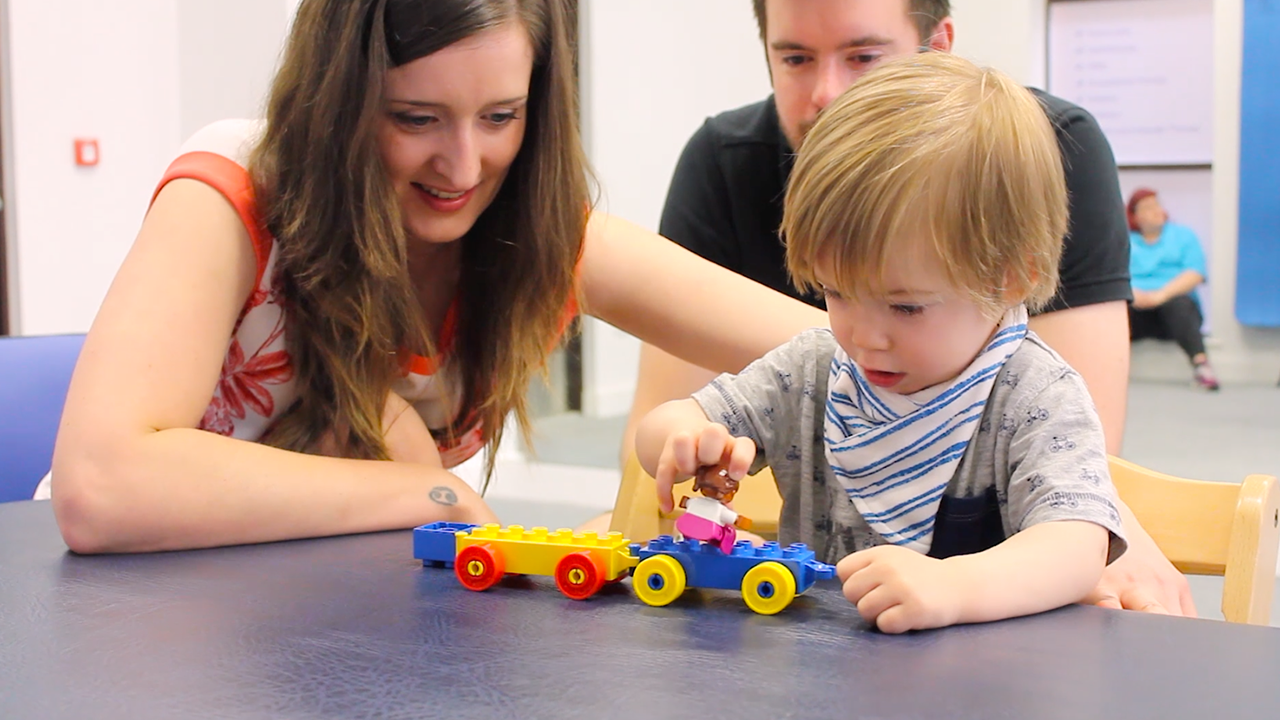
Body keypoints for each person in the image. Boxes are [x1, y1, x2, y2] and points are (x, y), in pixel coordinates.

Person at [45, 0, 824, 554]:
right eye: (415, 118)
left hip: (314, 621)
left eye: (499, 117)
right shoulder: (236, 190)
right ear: (338, 101)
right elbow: (101, 487)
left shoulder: (537, 230)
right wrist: (430, 495)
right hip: (124, 614)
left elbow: (842, 347)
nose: (461, 167)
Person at [624, 0, 1194, 618]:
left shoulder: (1033, 394)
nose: (864, 336)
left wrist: (957, 588)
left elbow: (1077, 542)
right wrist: (681, 437)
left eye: (906, 307)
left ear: (1012, 277)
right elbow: (663, 427)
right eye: (836, 293)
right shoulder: (814, 367)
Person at [1126, 188, 1219, 391]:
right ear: (1135, 216)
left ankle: (1202, 366)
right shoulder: (1124, 241)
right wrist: (1133, 295)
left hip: (1173, 310)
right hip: (1136, 309)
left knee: (1179, 305)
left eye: (1157, 205)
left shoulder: (1183, 236)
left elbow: (1195, 273)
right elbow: (1112, 273)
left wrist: (1161, 295)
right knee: (1114, 308)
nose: (1157, 211)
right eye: (1148, 208)